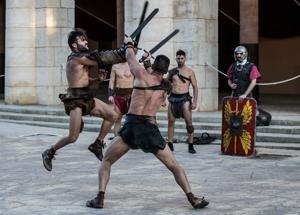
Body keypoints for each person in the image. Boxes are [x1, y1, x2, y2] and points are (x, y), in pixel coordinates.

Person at [86, 37, 209, 210]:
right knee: (174, 166)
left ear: (153, 65)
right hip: (149, 129)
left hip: (131, 127)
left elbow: (129, 58)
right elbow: (156, 76)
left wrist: (129, 44)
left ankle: (100, 198)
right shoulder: (166, 85)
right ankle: (192, 198)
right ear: (166, 70)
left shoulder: (140, 75)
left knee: (106, 161)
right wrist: (147, 62)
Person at [42, 28, 127, 171]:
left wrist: (97, 80)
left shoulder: (82, 59)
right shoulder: (76, 58)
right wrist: (123, 51)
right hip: (75, 99)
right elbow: (101, 58)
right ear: (74, 45)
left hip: (86, 96)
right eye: (82, 39)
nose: (86, 41)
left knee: (112, 115)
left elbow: (84, 81)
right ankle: (50, 151)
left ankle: (97, 144)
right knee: (73, 137)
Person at [167, 50, 198, 154]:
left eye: (182, 58)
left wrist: (195, 101)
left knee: (189, 122)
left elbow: (195, 87)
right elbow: (166, 86)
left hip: (185, 98)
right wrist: (162, 99)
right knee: (171, 121)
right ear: (176, 59)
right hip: (173, 98)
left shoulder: (190, 72)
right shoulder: (172, 72)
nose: (180, 60)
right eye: (178, 58)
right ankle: (170, 143)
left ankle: (191, 144)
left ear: (185, 59)